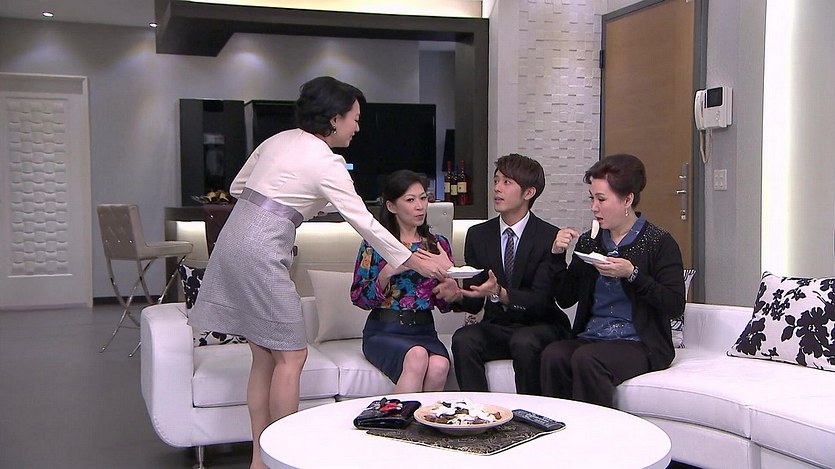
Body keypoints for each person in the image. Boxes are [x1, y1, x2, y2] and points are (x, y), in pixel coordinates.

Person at [187, 76, 449, 469]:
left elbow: (240, 187)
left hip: (232, 240)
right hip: (261, 250)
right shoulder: (328, 162)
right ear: (334, 118)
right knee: (292, 356)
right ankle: (284, 458)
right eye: (354, 118)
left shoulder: (279, 140)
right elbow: (365, 222)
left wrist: (303, 201)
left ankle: (259, 460)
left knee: (264, 357)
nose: (357, 127)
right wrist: (414, 260)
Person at [541, 153, 685, 408]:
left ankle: (598, 429)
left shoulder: (658, 242)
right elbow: (565, 298)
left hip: (641, 343)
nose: (593, 207)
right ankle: (559, 426)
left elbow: (674, 305)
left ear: (627, 199)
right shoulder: (590, 241)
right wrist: (556, 256)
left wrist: (633, 274)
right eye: (591, 199)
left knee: (587, 358)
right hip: (592, 336)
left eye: (601, 199)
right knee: (553, 355)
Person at [434, 153, 571, 395]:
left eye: (507, 182)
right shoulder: (478, 235)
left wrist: (501, 292)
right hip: (498, 325)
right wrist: (458, 295)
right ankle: (478, 410)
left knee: (524, 342)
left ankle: (531, 411)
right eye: (496, 180)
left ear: (529, 193)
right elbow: (476, 299)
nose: (497, 188)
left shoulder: (548, 236)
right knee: (464, 339)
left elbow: (540, 300)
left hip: (540, 324)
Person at [351, 170, 455, 393]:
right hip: (384, 330)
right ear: (392, 206)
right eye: (410, 200)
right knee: (417, 355)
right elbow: (359, 298)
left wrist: (451, 283)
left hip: (424, 330)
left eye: (423, 198)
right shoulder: (376, 245)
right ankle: (401, 416)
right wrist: (387, 272)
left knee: (439, 365)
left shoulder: (437, 245)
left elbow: (445, 305)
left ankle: (425, 416)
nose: (420, 206)